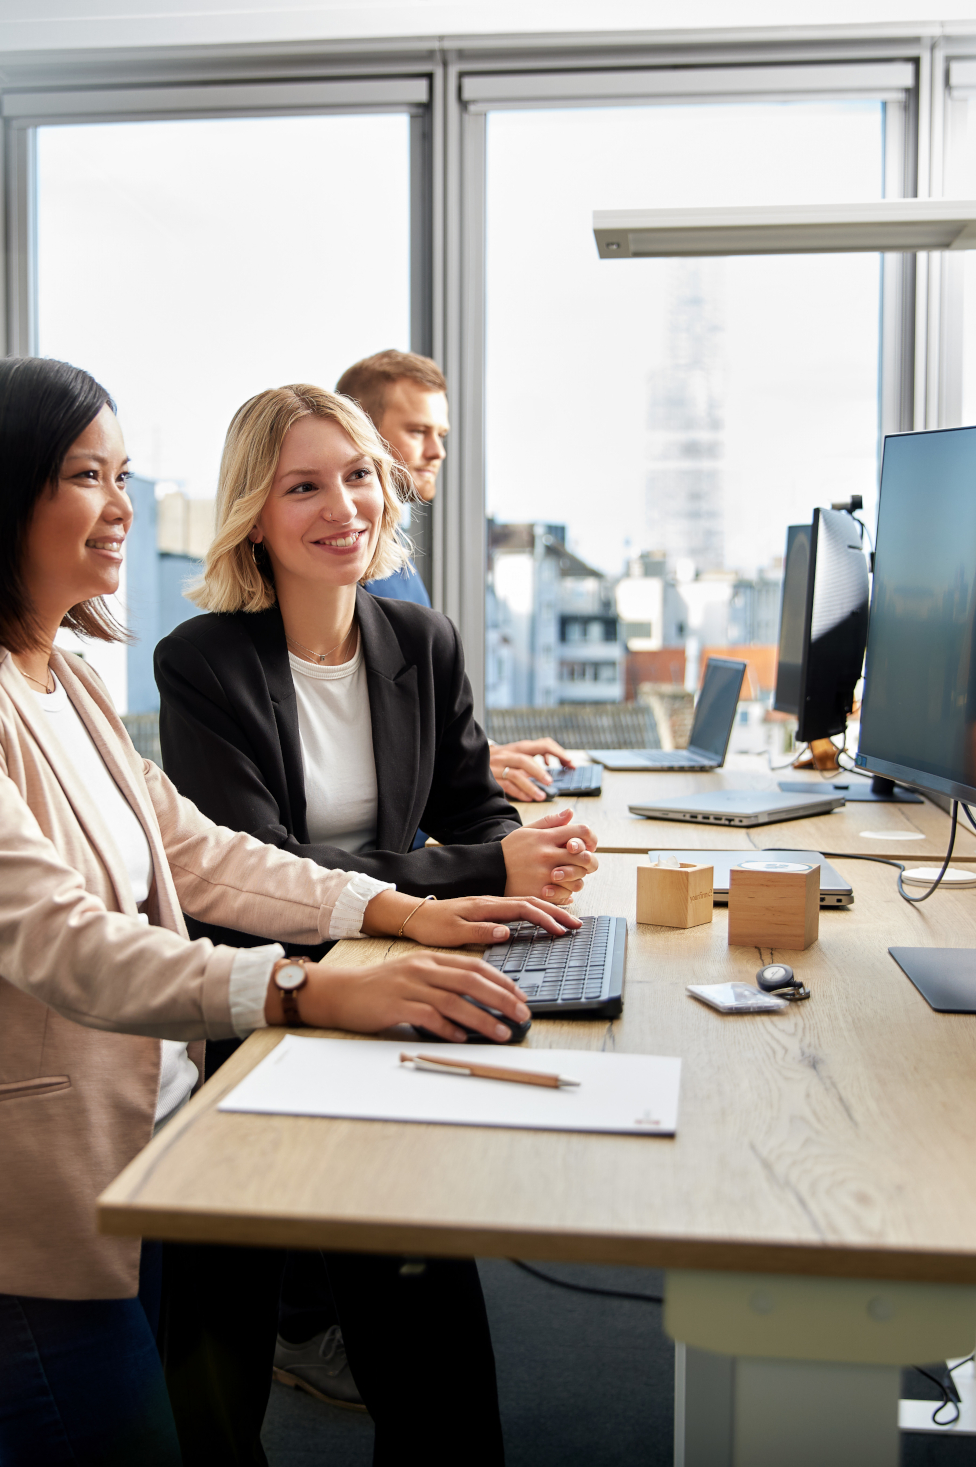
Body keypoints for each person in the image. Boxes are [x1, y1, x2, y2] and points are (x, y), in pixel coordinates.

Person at [0, 356, 571, 1467]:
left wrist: (392, 907)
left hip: (147, 1149)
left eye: (124, 474)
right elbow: (61, 941)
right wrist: (303, 982)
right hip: (17, 1200)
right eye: (89, 474)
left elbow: (200, 852)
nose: (125, 508)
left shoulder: (63, 677)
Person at [151, 384, 600, 1464]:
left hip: (393, 988)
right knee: (211, 1377)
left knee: (430, 1348)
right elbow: (256, 868)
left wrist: (524, 866)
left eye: (357, 476)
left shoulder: (418, 639)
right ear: (255, 513)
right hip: (261, 1013)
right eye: (303, 485)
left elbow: (471, 810)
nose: (342, 505)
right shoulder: (202, 664)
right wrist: (481, 865)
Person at [336, 348, 579, 800]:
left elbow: (413, 723)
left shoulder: (394, 560)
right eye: (417, 431)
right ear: (361, 434)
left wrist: (482, 755)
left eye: (441, 434)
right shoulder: (342, 570)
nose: (437, 451)